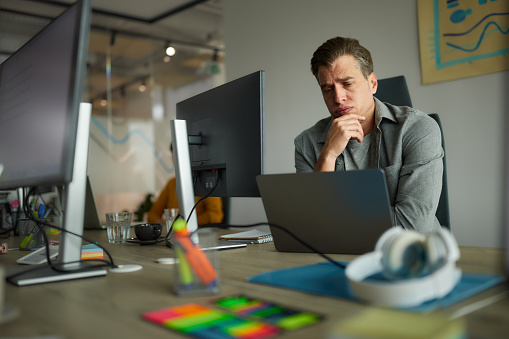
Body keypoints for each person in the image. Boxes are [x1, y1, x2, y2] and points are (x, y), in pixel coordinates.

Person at [294, 36, 443, 234]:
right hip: (337, 256)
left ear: (372, 83)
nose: (338, 98)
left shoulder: (418, 129)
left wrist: (332, 215)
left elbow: (412, 226)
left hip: (411, 257)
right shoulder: (307, 143)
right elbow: (307, 228)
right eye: (328, 89)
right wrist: (328, 155)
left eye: (347, 84)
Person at [147, 144, 224, 225]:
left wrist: (185, 223)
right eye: (174, 156)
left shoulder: (206, 183)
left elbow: (216, 216)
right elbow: (152, 214)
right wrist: (161, 223)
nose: (176, 160)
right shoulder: (171, 184)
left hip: (197, 234)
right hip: (175, 234)